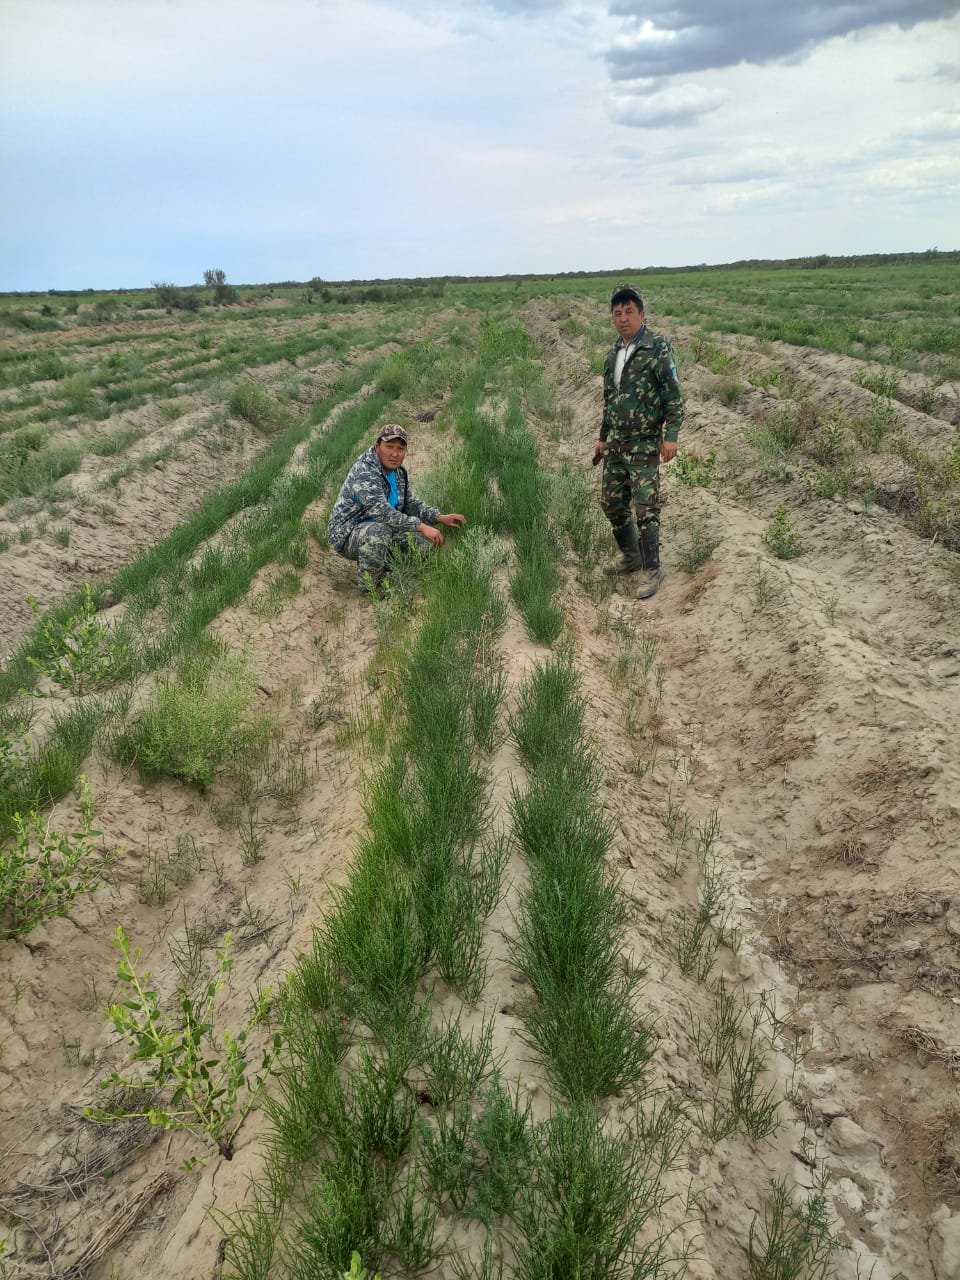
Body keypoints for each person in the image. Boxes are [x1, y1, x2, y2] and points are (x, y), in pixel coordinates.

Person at [592, 285, 683, 598]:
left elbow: (673, 395)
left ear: (642, 314)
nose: (623, 318)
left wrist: (671, 437)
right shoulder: (613, 354)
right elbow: (610, 401)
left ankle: (652, 569)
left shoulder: (657, 348)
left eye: (629, 312)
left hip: (644, 443)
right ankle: (631, 557)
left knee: (646, 508)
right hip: (617, 444)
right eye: (617, 313)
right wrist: (602, 439)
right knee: (612, 502)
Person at [328, 424, 466, 597]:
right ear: (377, 446)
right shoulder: (365, 471)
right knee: (379, 531)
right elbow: (383, 513)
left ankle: (380, 565)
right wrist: (422, 527)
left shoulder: (399, 472)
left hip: (385, 529)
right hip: (348, 535)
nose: (395, 454)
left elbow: (411, 504)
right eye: (389, 446)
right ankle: (370, 589)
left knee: (424, 550)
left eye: (400, 448)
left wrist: (439, 517)